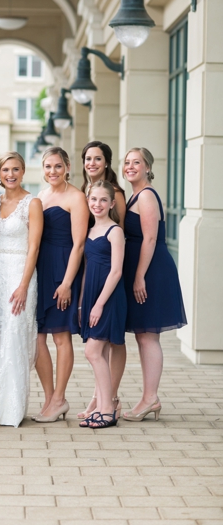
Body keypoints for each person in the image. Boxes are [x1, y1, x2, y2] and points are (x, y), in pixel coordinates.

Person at [120, 147, 187, 422]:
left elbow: (149, 239)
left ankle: (151, 398)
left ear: (148, 167)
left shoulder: (146, 195)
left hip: (151, 271)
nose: (131, 166)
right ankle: (149, 397)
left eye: (137, 162)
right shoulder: (136, 194)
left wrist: (138, 277)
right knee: (144, 335)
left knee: (148, 336)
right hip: (144, 269)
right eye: (127, 162)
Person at [0, 152, 42, 427]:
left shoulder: (32, 203)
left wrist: (24, 285)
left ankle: (11, 409)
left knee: (15, 336)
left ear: (23, 171)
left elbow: (34, 247)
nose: (10, 174)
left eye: (15, 169)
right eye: (5, 170)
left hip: (19, 274)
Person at [33, 147, 88, 423]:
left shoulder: (77, 197)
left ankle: (60, 398)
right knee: (37, 337)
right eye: (47, 167)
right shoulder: (41, 196)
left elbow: (79, 244)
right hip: (41, 270)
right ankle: (49, 397)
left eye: (57, 166)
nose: (52, 171)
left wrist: (67, 283)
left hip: (63, 270)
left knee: (60, 336)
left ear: (67, 166)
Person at [78, 141, 127, 421]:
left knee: (93, 351)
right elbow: (87, 269)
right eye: (93, 200)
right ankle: (101, 405)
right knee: (100, 352)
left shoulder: (114, 232)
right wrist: (85, 302)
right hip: (92, 296)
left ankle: (107, 408)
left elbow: (117, 271)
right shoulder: (92, 230)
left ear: (111, 203)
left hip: (108, 297)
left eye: (102, 201)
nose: (97, 204)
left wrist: (97, 305)